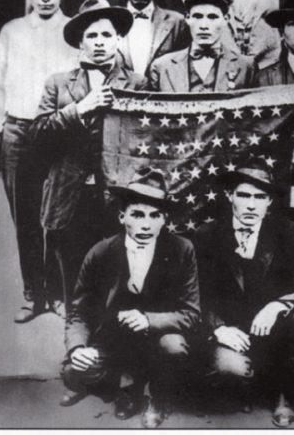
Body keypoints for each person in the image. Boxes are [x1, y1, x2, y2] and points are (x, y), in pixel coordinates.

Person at [30, 0, 148, 312]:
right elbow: (37, 136)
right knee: (75, 280)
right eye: (92, 36)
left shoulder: (138, 83)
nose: (99, 42)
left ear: (119, 38)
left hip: (118, 197)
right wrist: (79, 109)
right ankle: (77, 349)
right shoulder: (58, 84)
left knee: (118, 279)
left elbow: (147, 141)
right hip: (72, 197)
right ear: (81, 42)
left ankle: (114, 351)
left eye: (106, 35)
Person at [192, 159, 294, 428]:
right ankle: (247, 385)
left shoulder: (287, 232)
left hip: (279, 332)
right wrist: (218, 328)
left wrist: (277, 305)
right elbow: (194, 295)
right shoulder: (206, 235)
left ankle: (284, 394)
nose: (252, 205)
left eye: (260, 197)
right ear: (229, 196)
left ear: (269, 202)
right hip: (234, 333)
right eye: (243, 195)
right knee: (230, 370)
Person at [59, 168, 200, 429]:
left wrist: (148, 319)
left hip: (160, 336)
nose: (146, 224)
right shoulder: (101, 251)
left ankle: (158, 398)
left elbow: (191, 313)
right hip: (114, 337)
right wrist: (77, 347)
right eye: (137, 214)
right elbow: (78, 312)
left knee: (175, 347)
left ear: (164, 219)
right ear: (122, 216)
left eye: (155, 215)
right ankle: (116, 383)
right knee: (75, 371)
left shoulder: (182, 250)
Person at [0, 0, 80, 322]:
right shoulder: (12, 31)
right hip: (17, 131)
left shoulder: (73, 32)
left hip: (56, 133)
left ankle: (57, 293)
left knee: (55, 214)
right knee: (24, 216)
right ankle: (32, 293)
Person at [148, 0, 254, 92]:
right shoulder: (161, 66)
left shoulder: (246, 66)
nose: (204, 26)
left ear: (225, 19)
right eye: (197, 16)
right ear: (187, 18)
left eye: (212, 17)